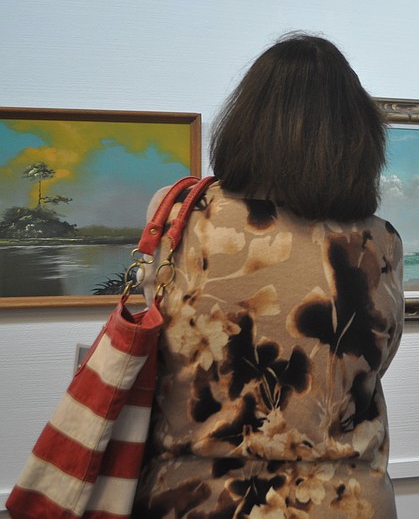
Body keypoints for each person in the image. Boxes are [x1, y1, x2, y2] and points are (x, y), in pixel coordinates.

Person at [133, 32, 404, 518]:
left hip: (196, 497)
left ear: (247, 122)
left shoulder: (179, 215)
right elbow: (373, 365)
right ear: (358, 136)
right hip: (344, 501)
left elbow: (158, 346)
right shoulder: (378, 242)